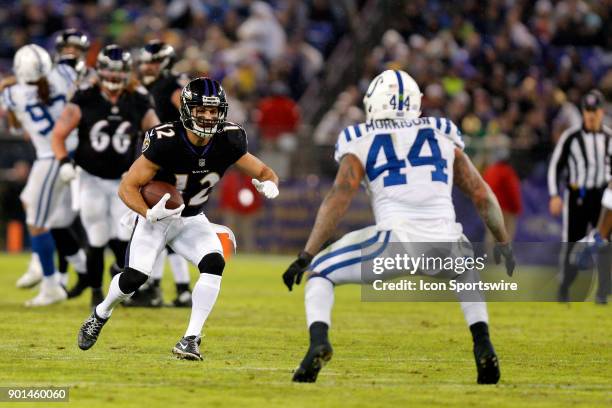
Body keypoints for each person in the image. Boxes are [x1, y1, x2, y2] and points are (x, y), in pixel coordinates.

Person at [282, 70, 515, 384]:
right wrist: (503, 242)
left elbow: (339, 198)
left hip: (395, 243)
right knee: (465, 268)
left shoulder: (360, 137)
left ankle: (318, 343)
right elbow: (481, 192)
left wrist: (307, 253)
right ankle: (483, 344)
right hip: (446, 242)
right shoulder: (441, 132)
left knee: (320, 273)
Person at [76, 77, 280, 361]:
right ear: (186, 110)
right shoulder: (165, 140)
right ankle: (101, 313)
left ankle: (190, 339)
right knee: (134, 279)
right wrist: (147, 213)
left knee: (214, 263)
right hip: (156, 219)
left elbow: (264, 170)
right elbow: (127, 187)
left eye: (213, 111)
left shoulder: (230, 139)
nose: (208, 117)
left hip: (192, 219)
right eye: (201, 110)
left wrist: (269, 183)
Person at [51, 45, 160, 308]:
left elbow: (158, 134)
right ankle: (97, 291)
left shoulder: (137, 99)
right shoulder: (84, 97)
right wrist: (64, 161)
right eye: (108, 72)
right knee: (97, 236)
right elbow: (58, 135)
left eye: (117, 72)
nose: (112, 77)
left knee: (124, 238)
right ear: (98, 71)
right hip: (91, 177)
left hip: (125, 181)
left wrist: (148, 166)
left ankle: (121, 287)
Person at [1, 44, 87, 306]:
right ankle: (63, 268)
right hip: (72, 149)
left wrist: (8, 82)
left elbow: (15, 124)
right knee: (32, 205)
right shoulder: (62, 74)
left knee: (38, 222)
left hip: (52, 157)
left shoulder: (13, 93)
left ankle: (48, 280)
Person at [130, 39, 192, 307]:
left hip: (169, 160)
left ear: (165, 62)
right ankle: (181, 289)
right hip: (158, 158)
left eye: (153, 62)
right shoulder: (150, 85)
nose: (148, 66)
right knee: (166, 226)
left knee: (163, 224)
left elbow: (189, 114)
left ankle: (155, 287)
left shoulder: (171, 84)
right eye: (145, 61)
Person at [547, 89, 611, 302]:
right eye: (588, 110)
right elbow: (555, 166)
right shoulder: (571, 137)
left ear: (602, 112)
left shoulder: (609, 137)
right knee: (571, 243)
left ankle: (602, 293)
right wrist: (555, 194)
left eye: (595, 110)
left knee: (605, 242)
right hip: (577, 196)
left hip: (602, 197)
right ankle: (564, 288)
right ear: (583, 112)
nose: (591, 115)